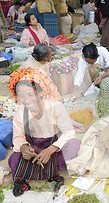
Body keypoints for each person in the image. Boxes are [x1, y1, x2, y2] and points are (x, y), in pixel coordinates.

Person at [8, 68, 81, 196]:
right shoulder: (20, 113)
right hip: (34, 150)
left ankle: (51, 171)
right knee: (14, 159)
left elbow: (68, 133)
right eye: (22, 96)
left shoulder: (55, 107)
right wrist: (24, 148)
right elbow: (18, 137)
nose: (26, 100)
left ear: (40, 93)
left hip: (55, 147)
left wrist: (50, 150)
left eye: (30, 95)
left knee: (75, 146)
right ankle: (47, 173)